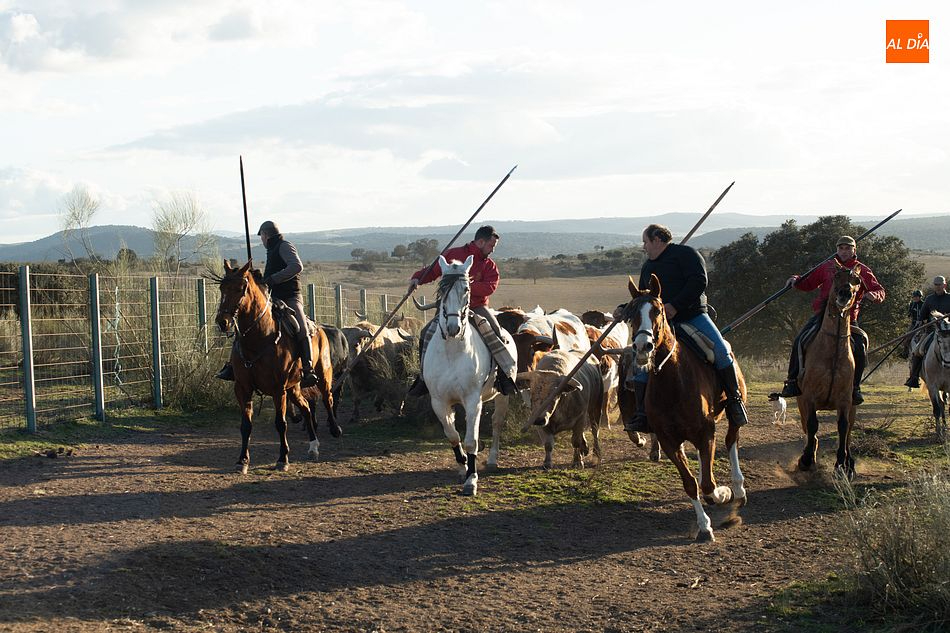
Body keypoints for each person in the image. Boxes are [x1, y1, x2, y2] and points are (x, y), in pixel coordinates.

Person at [622, 223, 748, 434]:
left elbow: (699, 281)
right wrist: (623, 310)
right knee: (641, 361)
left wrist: (675, 305)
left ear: (657, 240)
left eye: (645, 242)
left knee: (721, 351)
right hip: (661, 323)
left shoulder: (686, 255)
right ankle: (643, 413)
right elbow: (644, 297)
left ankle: (735, 401)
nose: (644, 247)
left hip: (693, 316)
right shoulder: (647, 267)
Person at [405, 225, 517, 396]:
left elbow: (489, 287)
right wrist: (417, 278)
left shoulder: (490, 266)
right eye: (490, 246)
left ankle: (502, 377)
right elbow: (434, 270)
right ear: (480, 242)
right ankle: (423, 378)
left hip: (477, 307)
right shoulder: (452, 254)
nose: (492, 250)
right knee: (426, 333)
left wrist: (465, 286)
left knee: (497, 332)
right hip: (449, 307)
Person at [776, 235, 885, 405]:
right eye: (841, 248)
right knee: (799, 340)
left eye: (848, 248)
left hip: (849, 318)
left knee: (860, 347)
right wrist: (796, 280)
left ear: (854, 250)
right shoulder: (826, 267)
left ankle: (855, 387)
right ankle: (791, 382)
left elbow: (879, 290)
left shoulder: (862, 270)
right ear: (837, 249)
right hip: (823, 315)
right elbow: (808, 283)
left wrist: (874, 295)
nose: (844, 251)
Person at [216, 221, 319, 388]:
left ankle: (308, 369)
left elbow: (296, 266)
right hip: (272, 297)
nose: (261, 240)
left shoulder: (284, 246)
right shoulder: (271, 249)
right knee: (247, 325)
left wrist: (273, 278)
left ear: (266, 234)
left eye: (262, 236)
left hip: (290, 297)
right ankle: (233, 366)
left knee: (301, 327)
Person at [905, 275, 950, 388]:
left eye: (939, 284)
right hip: (932, 331)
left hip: (948, 331)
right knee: (917, 351)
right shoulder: (930, 299)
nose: (938, 287)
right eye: (936, 285)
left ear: (945, 285)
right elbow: (922, 316)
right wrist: (917, 326)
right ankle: (914, 378)